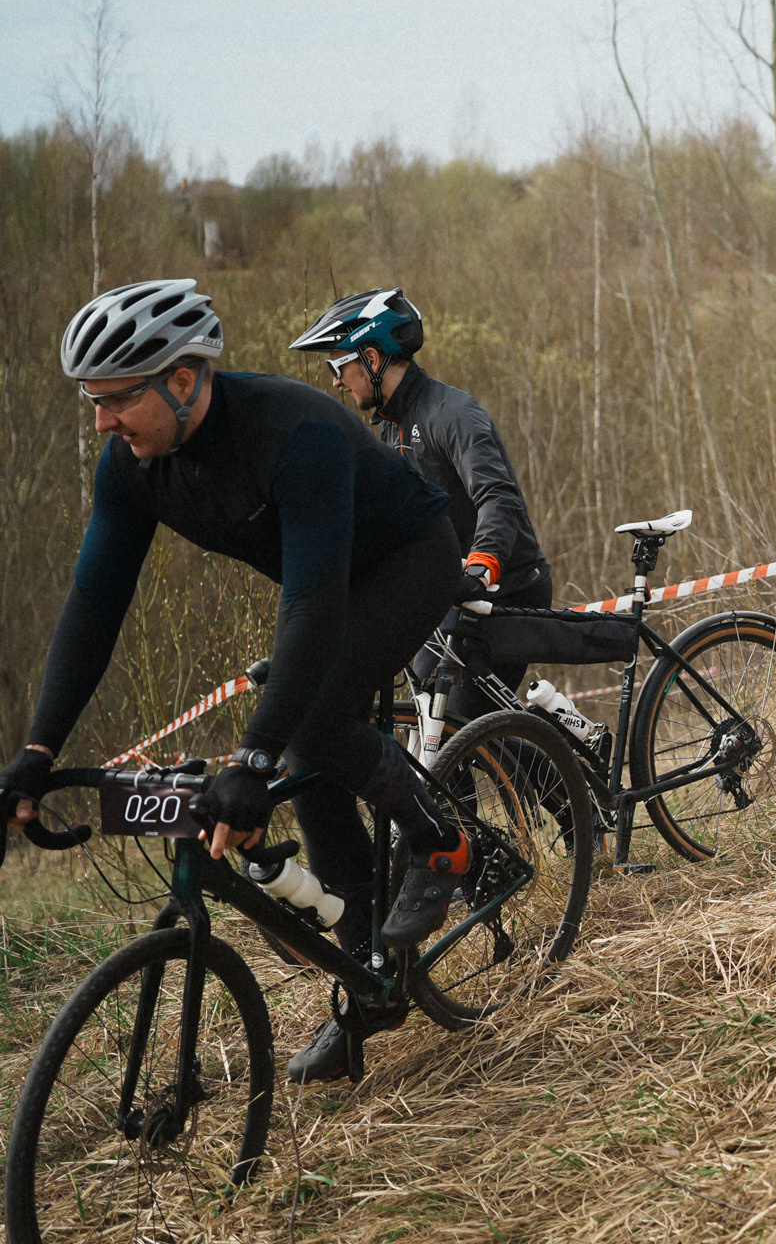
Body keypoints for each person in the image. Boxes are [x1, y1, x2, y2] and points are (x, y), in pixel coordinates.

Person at [0, 280, 480, 1086]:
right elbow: (93, 606)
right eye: (93, 402)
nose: (101, 423)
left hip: (408, 559)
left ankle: (444, 846)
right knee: (312, 767)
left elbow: (314, 603)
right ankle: (368, 988)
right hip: (327, 582)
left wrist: (252, 757)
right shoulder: (129, 470)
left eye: (116, 400)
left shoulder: (292, 433)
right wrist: (38, 749)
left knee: (310, 725)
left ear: (182, 380)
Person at [290, 289, 552, 727]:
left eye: (339, 365)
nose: (335, 381)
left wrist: (482, 564)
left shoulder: (453, 414)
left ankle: (570, 788)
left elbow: (498, 497)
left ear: (372, 359)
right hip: (450, 598)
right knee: (427, 719)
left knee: (459, 726)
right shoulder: (391, 429)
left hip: (507, 590)